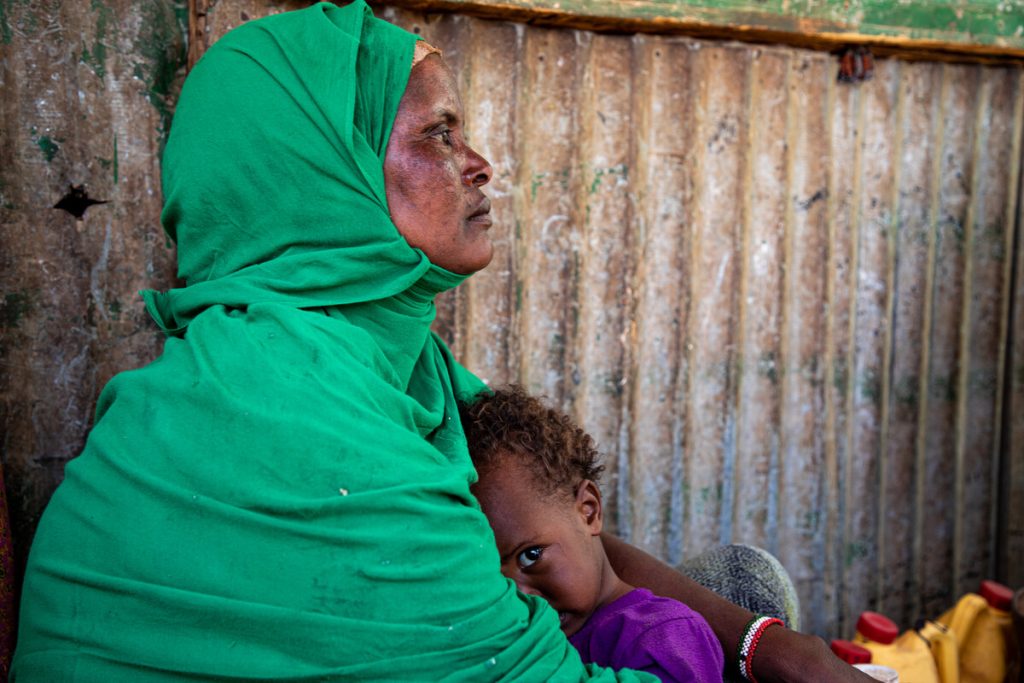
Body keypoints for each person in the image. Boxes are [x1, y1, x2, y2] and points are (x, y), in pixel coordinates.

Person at [12, 2, 872, 682]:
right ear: (322, 176)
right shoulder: (297, 414)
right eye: (437, 133)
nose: (480, 161)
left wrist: (765, 646)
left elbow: (567, 535)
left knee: (736, 584)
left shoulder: (379, 360)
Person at [460, 386, 725, 682]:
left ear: (588, 510)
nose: (521, 597)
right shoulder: (519, 644)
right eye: (495, 581)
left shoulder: (664, 636)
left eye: (531, 555)